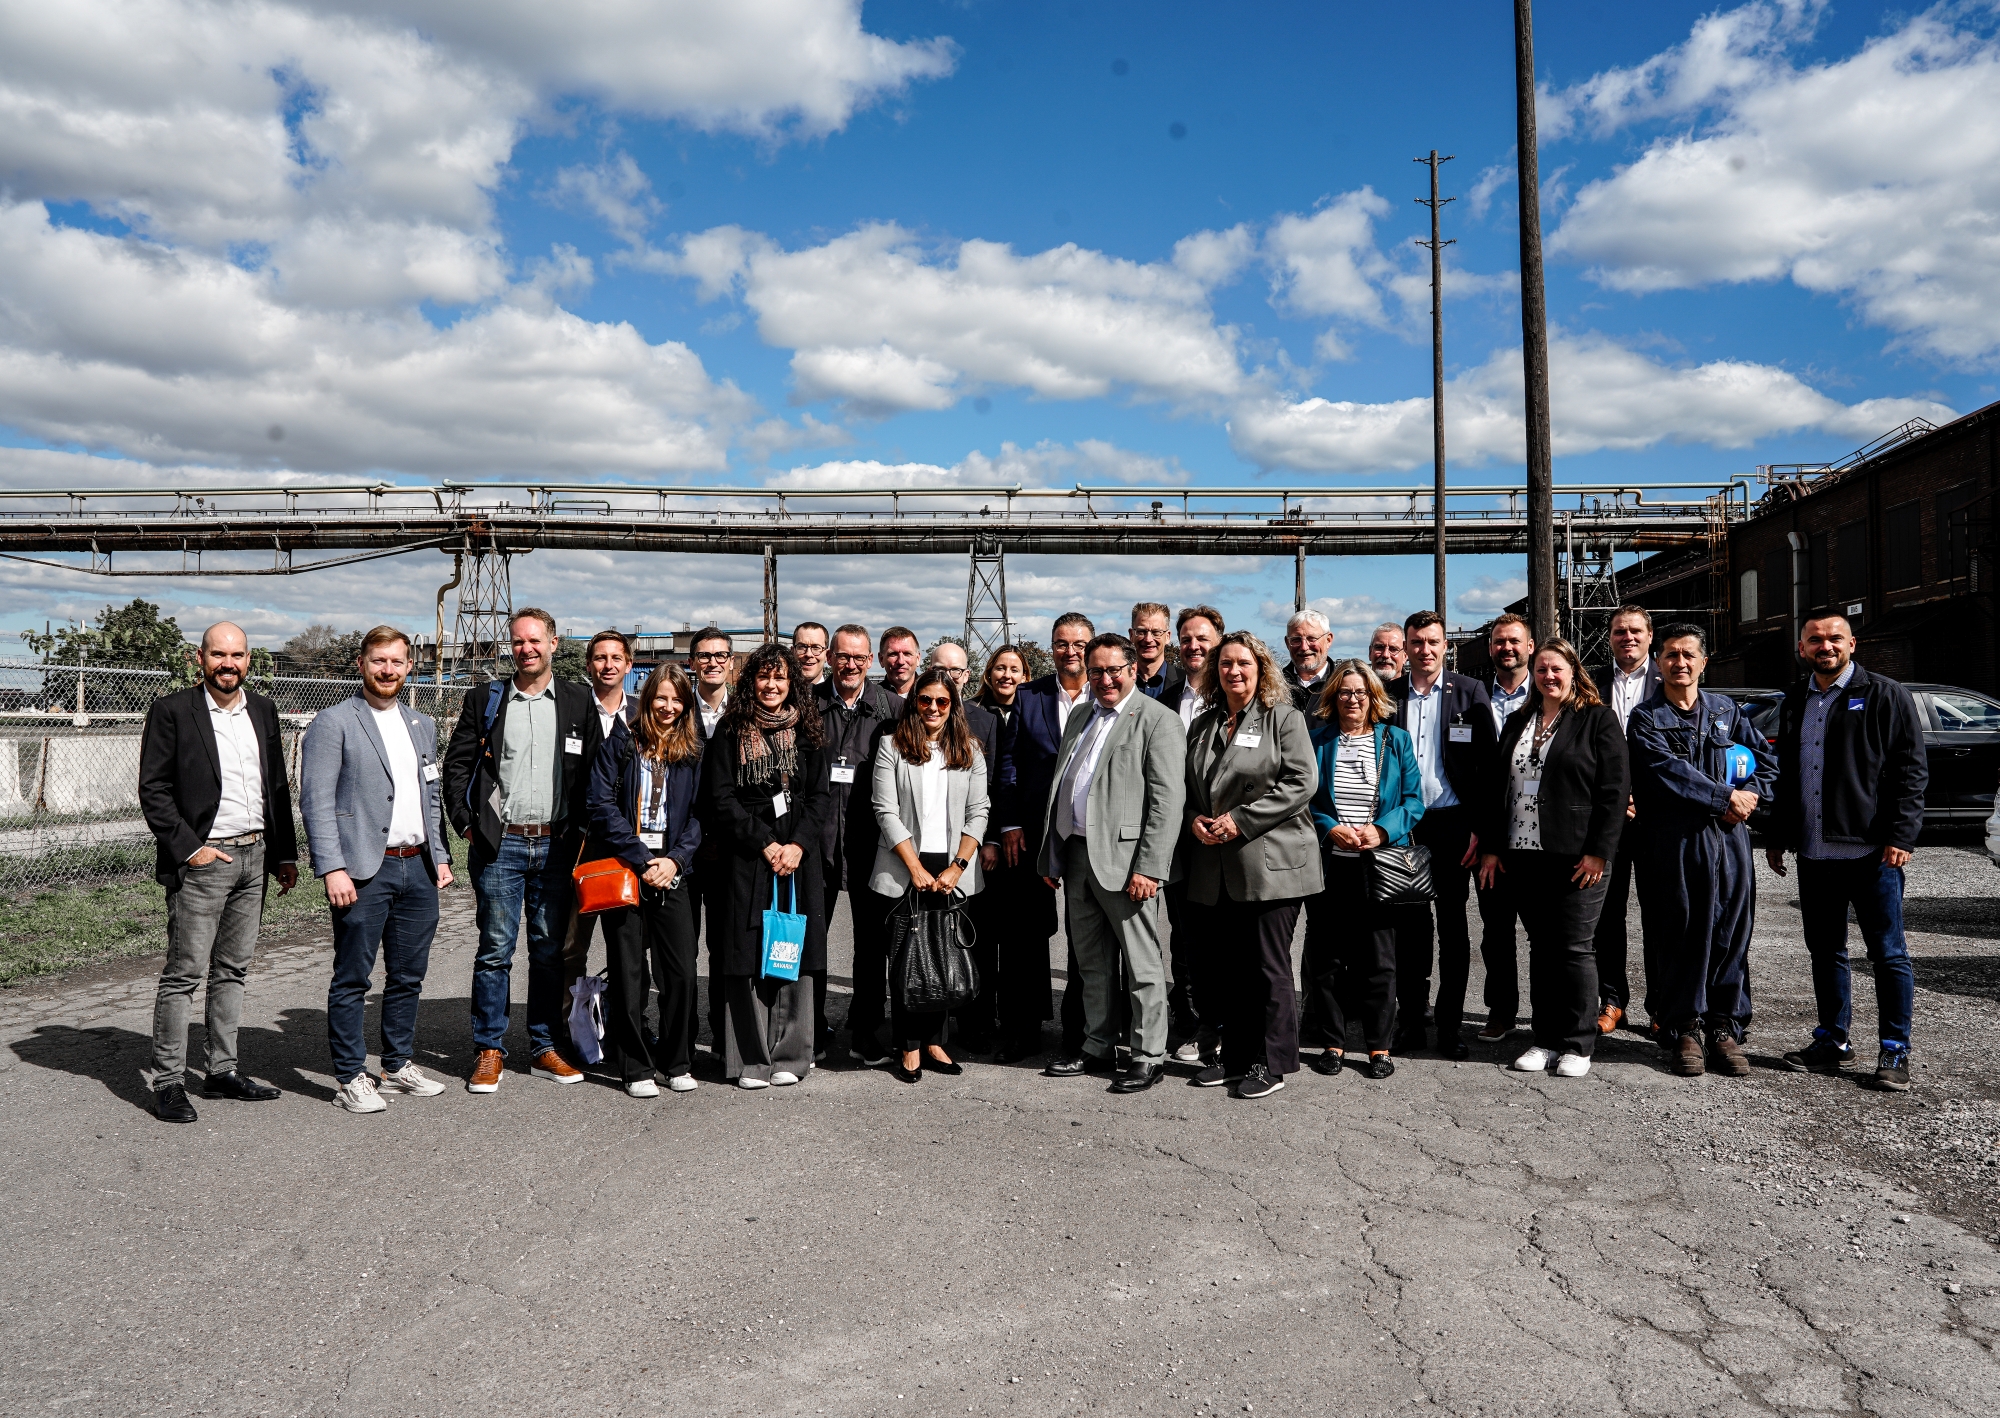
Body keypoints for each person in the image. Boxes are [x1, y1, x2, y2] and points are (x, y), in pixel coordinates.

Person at [137, 621, 300, 1123]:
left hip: (255, 856)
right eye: (218, 654)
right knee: (184, 974)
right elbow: (154, 790)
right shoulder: (172, 711)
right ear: (200, 657)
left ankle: (221, 1071)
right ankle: (168, 1082)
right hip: (205, 862)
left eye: (238, 655)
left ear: (249, 659)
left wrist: (285, 854)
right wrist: (192, 850)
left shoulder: (263, 710)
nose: (228, 664)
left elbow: (276, 786)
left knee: (233, 969)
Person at [442, 608, 602, 1093]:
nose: (526, 649)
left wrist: (585, 832)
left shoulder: (578, 700)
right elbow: (458, 765)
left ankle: (543, 1046)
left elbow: (595, 770)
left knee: (549, 951)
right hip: (501, 845)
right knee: (495, 950)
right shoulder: (487, 699)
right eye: (517, 641)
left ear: (554, 643)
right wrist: (466, 822)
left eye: (534, 640)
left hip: (556, 845)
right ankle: (489, 1049)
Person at [1766, 614, 1927, 1091]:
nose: (1826, 646)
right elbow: (1786, 773)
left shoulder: (1884, 695)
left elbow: (1910, 770)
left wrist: (1901, 835)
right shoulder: (1795, 699)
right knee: (1825, 951)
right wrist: (1778, 835)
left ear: (1852, 643)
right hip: (1814, 854)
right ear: (1802, 647)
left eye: (1835, 638)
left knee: (1888, 954)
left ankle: (1894, 1049)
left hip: (1872, 853)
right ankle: (1833, 1041)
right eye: (1815, 639)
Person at [300, 626, 454, 1114]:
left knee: (408, 976)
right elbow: (316, 801)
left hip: (418, 866)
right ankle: (350, 1077)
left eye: (397, 662)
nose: (388, 671)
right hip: (365, 870)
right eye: (378, 661)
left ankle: (397, 1064)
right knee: (353, 978)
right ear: (362, 665)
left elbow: (431, 795)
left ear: (410, 667)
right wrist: (333, 867)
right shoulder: (334, 722)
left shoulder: (421, 724)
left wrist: (440, 854)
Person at [1039, 633, 1187, 1094]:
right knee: (1092, 963)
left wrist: (1150, 867)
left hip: (1128, 864)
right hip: (1078, 855)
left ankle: (1148, 1055)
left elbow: (1167, 802)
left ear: (1132, 670)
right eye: (1096, 671)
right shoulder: (1081, 714)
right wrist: (1054, 852)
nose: (1105, 679)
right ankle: (1098, 1045)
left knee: (1142, 966)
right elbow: (1065, 783)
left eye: (1113, 670)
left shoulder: (1158, 720)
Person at [1626, 625, 1774, 1078]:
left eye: (1689, 654)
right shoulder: (1646, 718)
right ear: (1658, 663)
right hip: (1674, 841)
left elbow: (1767, 762)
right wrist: (1724, 797)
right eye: (1671, 654)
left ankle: (1724, 1026)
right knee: (1679, 931)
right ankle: (1684, 1028)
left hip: (1729, 840)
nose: (1680, 662)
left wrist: (1750, 797)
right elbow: (1665, 772)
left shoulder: (1726, 711)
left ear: (1704, 662)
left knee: (1731, 931)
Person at [1477, 639, 1626, 1079]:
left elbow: (1614, 792)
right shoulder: (1519, 720)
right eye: (1541, 669)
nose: (1548, 676)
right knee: (1541, 947)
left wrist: (1599, 852)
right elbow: (1497, 788)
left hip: (1578, 855)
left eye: (1556, 668)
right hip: (1524, 853)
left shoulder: (1597, 719)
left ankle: (1578, 1043)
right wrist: (1492, 846)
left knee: (1575, 947)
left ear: (1573, 671)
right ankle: (1544, 1039)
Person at [1181, 632, 1321, 1099]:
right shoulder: (1203, 724)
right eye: (1225, 664)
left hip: (1270, 863)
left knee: (1267, 967)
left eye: (1243, 663)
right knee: (1229, 968)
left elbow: (1301, 782)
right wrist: (1193, 819)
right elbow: (1187, 787)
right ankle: (1237, 1057)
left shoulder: (1284, 718)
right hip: (1215, 865)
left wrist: (1240, 820)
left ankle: (1272, 1063)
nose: (1233, 671)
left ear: (1261, 669)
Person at [702, 643, 830, 1089]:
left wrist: (797, 845)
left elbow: (819, 797)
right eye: (763, 676)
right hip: (747, 855)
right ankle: (751, 1059)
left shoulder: (809, 729)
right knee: (746, 951)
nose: (771, 685)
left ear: (792, 682)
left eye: (780, 677)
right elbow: (720, 798)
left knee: (795, 944)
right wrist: (765, 843)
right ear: (750, 681)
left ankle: (792, 1054)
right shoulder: (729, 730)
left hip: (797, 856)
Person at [586, 663, 705, 1097]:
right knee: (629, 973)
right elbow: (600, 805)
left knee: (681, 973)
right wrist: (641, 858)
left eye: (677, 700)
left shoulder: (695, 750)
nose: (668, 707)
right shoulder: (621, 742)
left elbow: (701, 814)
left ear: (686, 705)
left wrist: (675, 860)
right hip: (627, 870)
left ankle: (676, 1061)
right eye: (661, 698)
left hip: (674, 872)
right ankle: (635, 1067)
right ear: (647, 698)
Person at [869, 668, 990, 1082]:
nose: (933, 708)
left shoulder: (970, 750)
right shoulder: (891, 746)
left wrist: (959, 866)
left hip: (953, 868)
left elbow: (979, 811)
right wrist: (915, 867)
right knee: (907, 958)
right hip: (905, 867)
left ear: (953, 705)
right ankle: (908, 1045)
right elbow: (884, 810)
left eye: (942, 701)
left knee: (943, 955)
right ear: (914, 702)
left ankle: (936, 1041)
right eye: (925, 700)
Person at [1305, 660, 1423, 1079]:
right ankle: (1332, 1044)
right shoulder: (1317, 741)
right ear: (1332, 698)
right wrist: (1329, 828)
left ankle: (1378, 1047)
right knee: (1328, 960)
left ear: (1374, 697)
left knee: (1379, 961)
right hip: (1330, 867)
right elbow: (1305, 799)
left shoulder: (1396, 740)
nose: (1352, 699)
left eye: (1360, 692)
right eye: (1344, 692)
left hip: (1380, 869)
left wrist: (1381, 830)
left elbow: (1413, 801)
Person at [1391, 610, 1496, 1060]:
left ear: (1445, 646)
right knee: (1410, 930)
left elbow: (1489, 768)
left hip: (1454, 825)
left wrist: (1481, 830)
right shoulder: (1388, 694)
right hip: (1404, 827)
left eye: (1433, 642)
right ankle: (1412, 1022)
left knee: (1453, 929)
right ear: (1405, 647)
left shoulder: (1469, 692)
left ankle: (1450, 1027)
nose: (1425, 650)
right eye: (1417, 642)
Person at [998, 613, 1094, 1060]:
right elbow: (1009, 762)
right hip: (1033, 833)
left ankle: (1081, 1030)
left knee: (1085, 934)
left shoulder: (1108, 692)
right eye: (1061, 643)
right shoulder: (1029, 695)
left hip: (1087, 833)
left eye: (1079, 643)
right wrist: (1010, 823)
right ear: (1050, 648)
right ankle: (1023, 1028)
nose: (1070, 651)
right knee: (1025, 934)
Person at [814, 624, 902, 1065]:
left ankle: (865, 1032)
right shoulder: (807, 705)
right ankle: (810, 1031)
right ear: (830, 657)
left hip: (872, 845)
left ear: (871, 661)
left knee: (871, 946)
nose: (850, 665)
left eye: (859, 657)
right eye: (843, 656)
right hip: (816, 844)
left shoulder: (893, 708)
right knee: (812, 941)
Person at [926, 641, 1001, 1049]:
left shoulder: (983, 721)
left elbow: (993, 788)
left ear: (966, 675)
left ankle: (975, 1023)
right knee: (924, 941)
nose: (948, 678)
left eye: (955, 671)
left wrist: (988, 841)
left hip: (969, 851)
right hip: (923, 850)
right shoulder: (914, 718)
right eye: (940, 669)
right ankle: (926, 1027)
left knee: (970, 940)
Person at [975, 646, 1048, 1057]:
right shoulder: (971, 713)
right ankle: (980, 1020)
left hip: (1027, 841)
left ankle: (1026, 1022)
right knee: (984, 936)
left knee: (1026, 938)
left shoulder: (1038, 710)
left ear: (1026, 676)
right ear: (988, 674)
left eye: (1015, 669)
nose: (1006, 675)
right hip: (984, 842)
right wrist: (989, 836)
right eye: (1000, 668)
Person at [1159, 604, 1224, 1058]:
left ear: (1219, 641)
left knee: (1227, 936)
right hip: (1180, 833)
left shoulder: (1237, 693)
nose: (1194, 646)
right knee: (1186, 936)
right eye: (1186, 639)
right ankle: (1194, 1021)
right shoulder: (1165, 699)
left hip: (1228, 833)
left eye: (1203, 638)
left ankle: (1229, 1026)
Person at [1594, 604, 1662, 1037]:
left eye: (1636, 631)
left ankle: (1661, 1003)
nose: (1628, 638)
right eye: (1620, 631)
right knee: (1607, 914)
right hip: (1608, 817)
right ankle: (1612, 999)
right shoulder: (1591, 682)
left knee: (1658, 913)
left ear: (1650, 636)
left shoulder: (1669, 677)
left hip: (1657, 816)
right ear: (1610, 638)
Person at [564, 630, 637, 999]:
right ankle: (568, 1022)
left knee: (628, 944)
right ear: (588, 664)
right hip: (580, 842)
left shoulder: (643, 713)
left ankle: (627, 1021)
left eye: (616, 658)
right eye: (600, 657)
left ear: (629, 664)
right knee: (571, 944)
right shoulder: (571, 711)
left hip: (629, 844)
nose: (608, 665)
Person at [1474, 614, 1534, 1046]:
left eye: (1514, 641)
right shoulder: (1475, 697)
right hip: (1492, 830)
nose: (1506, 648)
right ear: (1490, 648)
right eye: (1499, 641)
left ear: (1530, 646)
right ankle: (1501, 1010)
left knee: (1546, 928)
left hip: (1541, 830)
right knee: (1495, 930)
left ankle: (1551, 1012)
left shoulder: (1551, 691)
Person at [1129, 602, 1184, 700]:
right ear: (1131, 635)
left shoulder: (1185, 682)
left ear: (1167, 637)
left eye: (1156, 632)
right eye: (1141, 632)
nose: (1148, 639)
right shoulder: (1117, 682)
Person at [1281, 609, 1333, 712]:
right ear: (1287, 643)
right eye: (1296, 640)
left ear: (1328, 640)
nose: (1304, 647)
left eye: (1312, 638)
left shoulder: (1342, 685)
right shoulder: (1273, 685)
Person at [688, 627, 732, 739]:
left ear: (731, 662)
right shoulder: (680, 713)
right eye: (704, 656)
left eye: (720, 655)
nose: (713, 663)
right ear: (692, 663)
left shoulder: (745, 713)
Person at [879, 626, 920, 699]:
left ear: (918, 659)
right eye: (893, 654)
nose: (901, 661)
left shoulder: (933, 696)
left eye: (907, 654)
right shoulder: (870, 698)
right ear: (881, 659)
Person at [791, 622, 829, 689]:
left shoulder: (838, 693)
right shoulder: (778, 693)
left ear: (827, 655)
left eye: (816, 648)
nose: (808, 654)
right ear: (792, 652)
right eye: (802, 647)